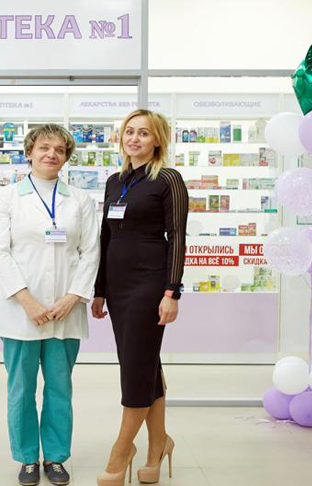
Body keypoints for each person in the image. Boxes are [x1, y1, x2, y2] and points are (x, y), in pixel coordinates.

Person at [0, 124, 100, 486]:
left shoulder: (80, 200)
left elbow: (91, 252)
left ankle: (55, 457)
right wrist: (27, 300)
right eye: (44, 148)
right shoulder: (6, 197)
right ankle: (26, 458)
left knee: (59, 388)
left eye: (60, 150)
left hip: (65, 310)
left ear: (66, 157)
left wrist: (73, 297)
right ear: (29, 153)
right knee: (20, 389)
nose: (52, 154)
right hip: (19, 312)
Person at [92, 109, 188, 486]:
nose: (134, 138)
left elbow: (177, 236)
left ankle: (122, 450)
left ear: (157, 140)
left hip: (150, 281)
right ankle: (158, 445)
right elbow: (105, 236)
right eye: (129, 132)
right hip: (117, 283)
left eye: (144, 133)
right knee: (144, 362)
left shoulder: (168, 179)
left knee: (134, 365)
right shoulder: (115, 181)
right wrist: (100, 289)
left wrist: (172, 291)